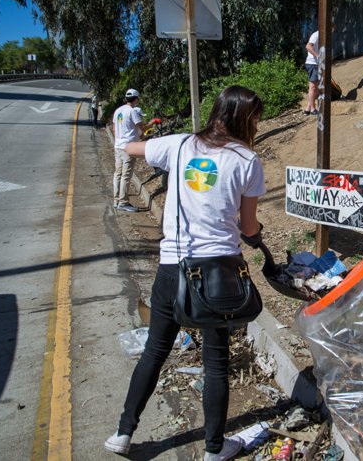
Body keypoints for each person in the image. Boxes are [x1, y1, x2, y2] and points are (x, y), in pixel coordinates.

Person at [104, 85, 267, 460]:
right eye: (255, 116)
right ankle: (214, 449)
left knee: (154, 351)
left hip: (171, 268)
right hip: (217, 275)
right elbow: (248, 225)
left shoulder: (178, 145)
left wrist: (127, 136)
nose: (257, 122)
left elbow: (130, 148)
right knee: (216, 361)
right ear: (243, 117)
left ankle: (122, 433)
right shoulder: (247, 160)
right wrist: (257, 237)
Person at [111, 89, 158, 211]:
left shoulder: (118, 111)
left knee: (118, 174)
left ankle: (116, 200)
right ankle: (123, 202)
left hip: (118, 146)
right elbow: (142, 128)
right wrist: (152, 122)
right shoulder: (132, 112)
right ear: (136, 99)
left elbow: (114, 129)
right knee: (126, 175)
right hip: (129, 147)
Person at [303, 30, 319, 115]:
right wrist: (318, 56)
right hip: (313, 64)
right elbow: (308, 46)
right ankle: (313, 109)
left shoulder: (321, 35)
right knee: (313, 87)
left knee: (314, 87)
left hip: (315, 64)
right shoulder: (316, 35)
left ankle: (308, 108)